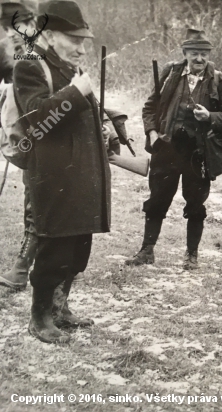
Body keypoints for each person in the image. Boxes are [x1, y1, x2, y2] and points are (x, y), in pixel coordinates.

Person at [13, 0, 115, 343]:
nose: (82, 49)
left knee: (77, 250)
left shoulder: (69, 68)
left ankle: (60, 308)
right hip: (54, 177)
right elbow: (37, 121)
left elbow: (80, 112)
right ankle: (40, 317)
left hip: (82, 173)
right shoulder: (30, 66)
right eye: (75, 40)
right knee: (54, 251)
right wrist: (76, 92)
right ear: (50, 35)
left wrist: (102, 127)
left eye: (84, 41)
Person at [126, 29, 222, 270]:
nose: (199, 58)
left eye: (204, 54)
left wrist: (210, 116)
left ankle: (191, 255)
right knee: (157, 200)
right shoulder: (171, 74)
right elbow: (150, 108)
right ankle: (146, 251)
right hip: (166, 149)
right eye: (194, 53)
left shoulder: (218, 80)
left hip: (198, 154)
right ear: (185, 53)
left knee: (196, 204)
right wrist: (152, 133)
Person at [0, 0, 41, 290]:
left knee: (37, 204)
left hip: (46, 134)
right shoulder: (12, 51)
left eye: (18, 27)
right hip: (27, 138)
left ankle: (23, 268)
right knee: (35, 202)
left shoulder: (44, 53)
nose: (12, 34)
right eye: (6, 29)